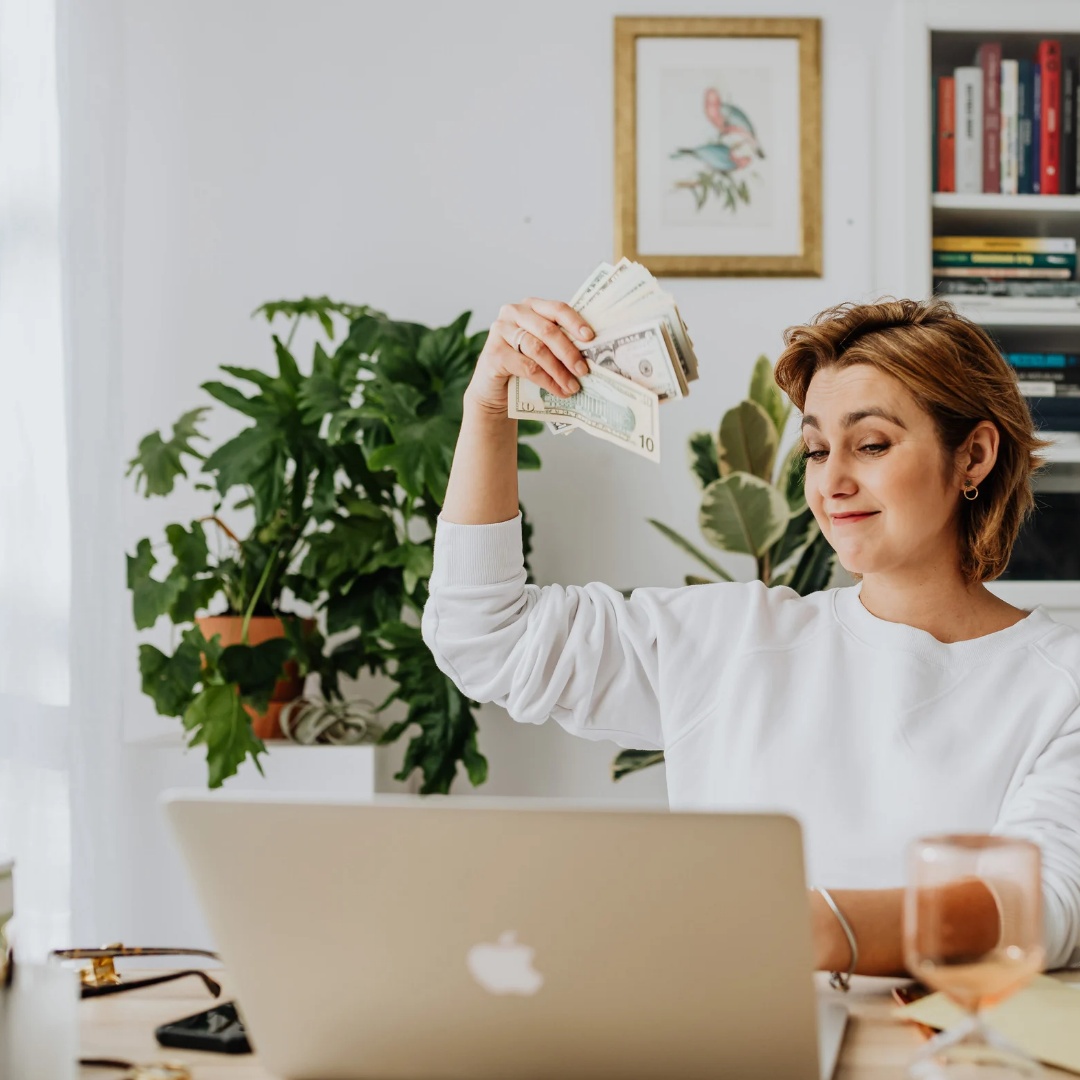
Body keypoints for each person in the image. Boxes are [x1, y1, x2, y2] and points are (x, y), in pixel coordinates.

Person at [421, 294, 1080, 978]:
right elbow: (486, 635)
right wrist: (489, 415)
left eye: (872, 444)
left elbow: (1045, 907)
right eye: (817, 450)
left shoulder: (1061, 685)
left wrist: (810, 927)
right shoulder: (735, 640)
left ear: (972, 456)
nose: (833, 482)